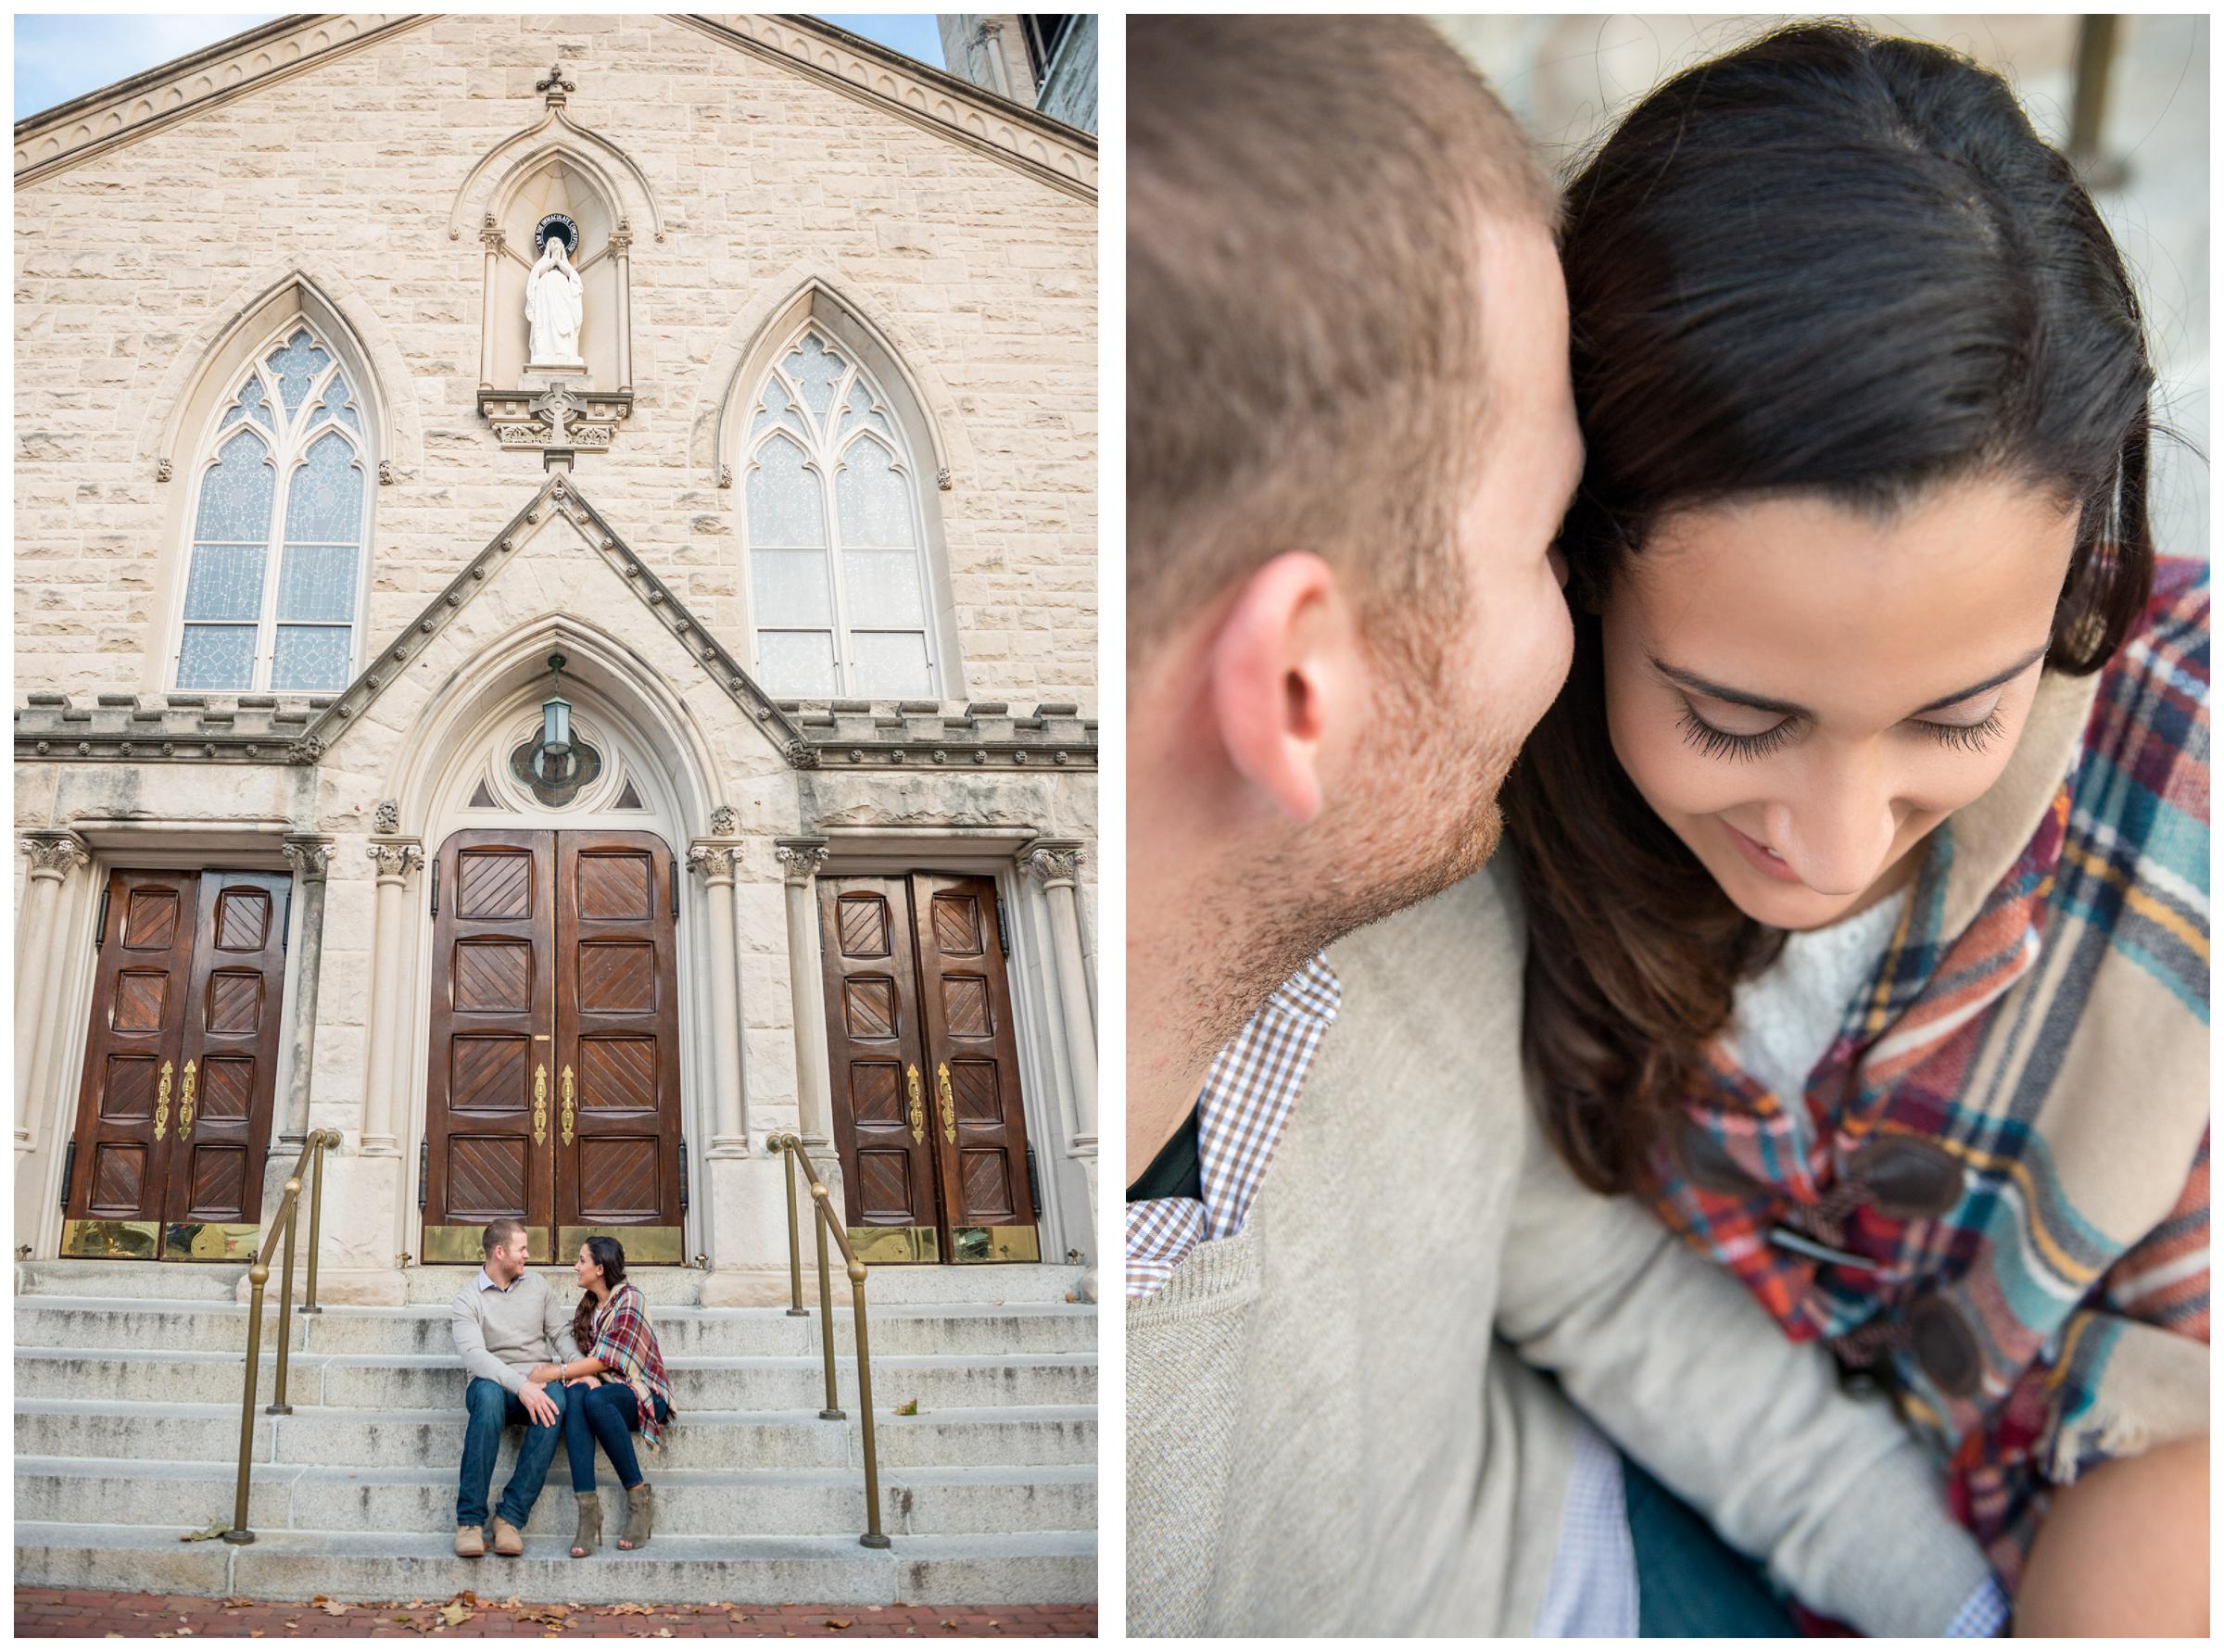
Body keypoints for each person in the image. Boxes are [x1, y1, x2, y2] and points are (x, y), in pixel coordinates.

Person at [1126, 15, 2009, 1637]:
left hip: (1593, 1535)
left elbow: (1579, 1271)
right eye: (1549, 536)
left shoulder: (1433, 905)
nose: (1584, 606)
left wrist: (1960, 1605)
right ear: (1304, 687)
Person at [1502, 22, 2209, 1635]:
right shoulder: (1479, 824)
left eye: (1959, 714)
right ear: (1584, 563)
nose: (1827, 841)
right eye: (1737, 720)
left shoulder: (2194, 755)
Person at [449, 1218, 576, 1558]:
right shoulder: (467, 1299)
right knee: (488, 1396)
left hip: (537, 1383)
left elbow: (561, 1334)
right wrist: (521, 1386)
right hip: (493, 1385)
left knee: (556, 1398)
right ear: (500, 1251)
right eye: (522, 1248)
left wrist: (578, 1369)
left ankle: (510, 1518)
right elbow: (476, 1357)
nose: (528, 1255)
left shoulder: (538, 1286)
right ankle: (470, 1522)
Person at [554, 1236, 675, 1557]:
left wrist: (558, 1373)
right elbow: (585, 1362)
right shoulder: (589, 1306)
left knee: (595, 1398)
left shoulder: (631, 1299)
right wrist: (584, 1376)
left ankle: (639, 1499)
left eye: (581, 1261)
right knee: (581, 1396)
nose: (575, 1267)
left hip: (644, 1390)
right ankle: (588, 1513)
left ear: (599, 1268)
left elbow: (610, 1361)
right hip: (606, 1391)